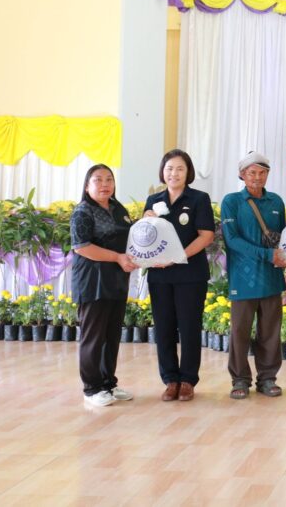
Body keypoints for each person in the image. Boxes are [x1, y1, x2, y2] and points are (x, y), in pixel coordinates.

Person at [143, 149, 215, 402]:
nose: (174, 173)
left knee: (189, 327)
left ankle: (187, 380)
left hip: (190, 274)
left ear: (188, 172)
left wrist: (178, 256)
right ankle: (170, 379)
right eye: (169, 168)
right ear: (163, 171)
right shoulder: (153, 200)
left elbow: (206, 235)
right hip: (159, 275)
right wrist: (145, 220)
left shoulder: (199, 199)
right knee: (163, 328)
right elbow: (145, 237)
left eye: (180, 169)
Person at [220, 152, 286, 400]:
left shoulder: (276, 202)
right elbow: (232, 240)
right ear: (242, 175)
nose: (257, 177)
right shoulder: (231, 202)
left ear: (268, 174)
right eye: (252, 173)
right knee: (240, 331)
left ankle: (267, 379)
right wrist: (267, 254)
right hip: (243, 278)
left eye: (262, 172)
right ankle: (240, 379)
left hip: (271, 276)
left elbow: (283, 236)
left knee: (270, 331)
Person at [69, 164, 138, 408]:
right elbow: (82, 247)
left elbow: (130, 238)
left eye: (109, 179)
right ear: (87, 186)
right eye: (98, 180)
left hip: (116, 280)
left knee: (111, 335)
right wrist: (118, 257)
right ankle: (92, 388)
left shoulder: (119, 209)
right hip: (92, 281)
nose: (105, 184)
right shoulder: (83, 211)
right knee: (93, 337)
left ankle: (108, 383)